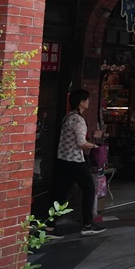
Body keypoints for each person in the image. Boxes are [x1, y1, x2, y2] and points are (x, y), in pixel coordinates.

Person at [49, 90, 104, 237]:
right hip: (75, 160)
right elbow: (81, 143)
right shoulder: (78, 120)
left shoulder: (68, 117)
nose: (89, 102)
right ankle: (87, 224)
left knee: (61, 193)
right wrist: (94, 146)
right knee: (89, 189)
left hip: (63, 159)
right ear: (81, 102)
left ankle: (49, 226)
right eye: (87, 99)